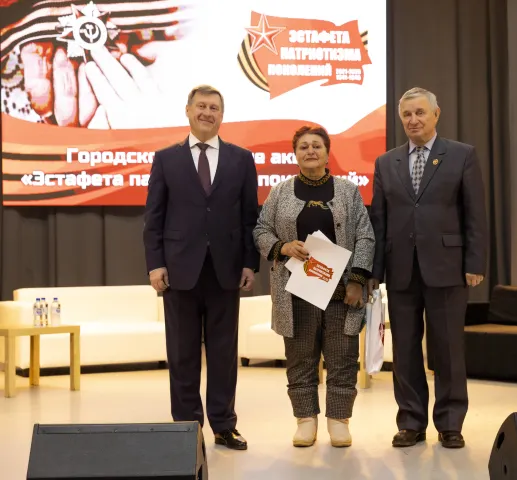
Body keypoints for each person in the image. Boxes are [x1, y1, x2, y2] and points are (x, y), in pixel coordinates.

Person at [369, 87, 488, 449]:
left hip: (448, 267)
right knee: (405, 350)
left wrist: (474, 262)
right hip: (401, 269)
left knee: (448, 349)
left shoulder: (462, 155)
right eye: (407, 114)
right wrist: (375, 272)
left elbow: (475, 214)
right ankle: (411, 422)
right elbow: (379, 221)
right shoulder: (386, 162)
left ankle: (450, 423)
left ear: (436, 114)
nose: (413, 120)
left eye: (420, 113)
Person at [143, 84, 259, 450]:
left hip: (226, 269)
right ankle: (186, 428)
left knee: (224, 354)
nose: (207, 113)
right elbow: (154, 217)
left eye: (214, 108)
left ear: (222, 115)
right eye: (201, 106)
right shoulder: (166, 159)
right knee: (182, 353)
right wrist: (155, 264)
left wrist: (250, 263)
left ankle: (224, 425)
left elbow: (249, 217)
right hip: (179, 270)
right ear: (188, 110)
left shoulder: (242, 159)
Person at [252, 125, 374, 448]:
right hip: (296, 294)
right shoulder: (280, 192)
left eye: (316, 145)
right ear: (295, 154)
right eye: (303, 146)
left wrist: (357, 280)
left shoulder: (348, 191)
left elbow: (365, 235)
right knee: (300, 359)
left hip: (342, 295)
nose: (310, 151)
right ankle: (305, 421)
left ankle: (339, 421)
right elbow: (261, 230)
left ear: (327, 152)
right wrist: (282, 247)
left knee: (343, 358)